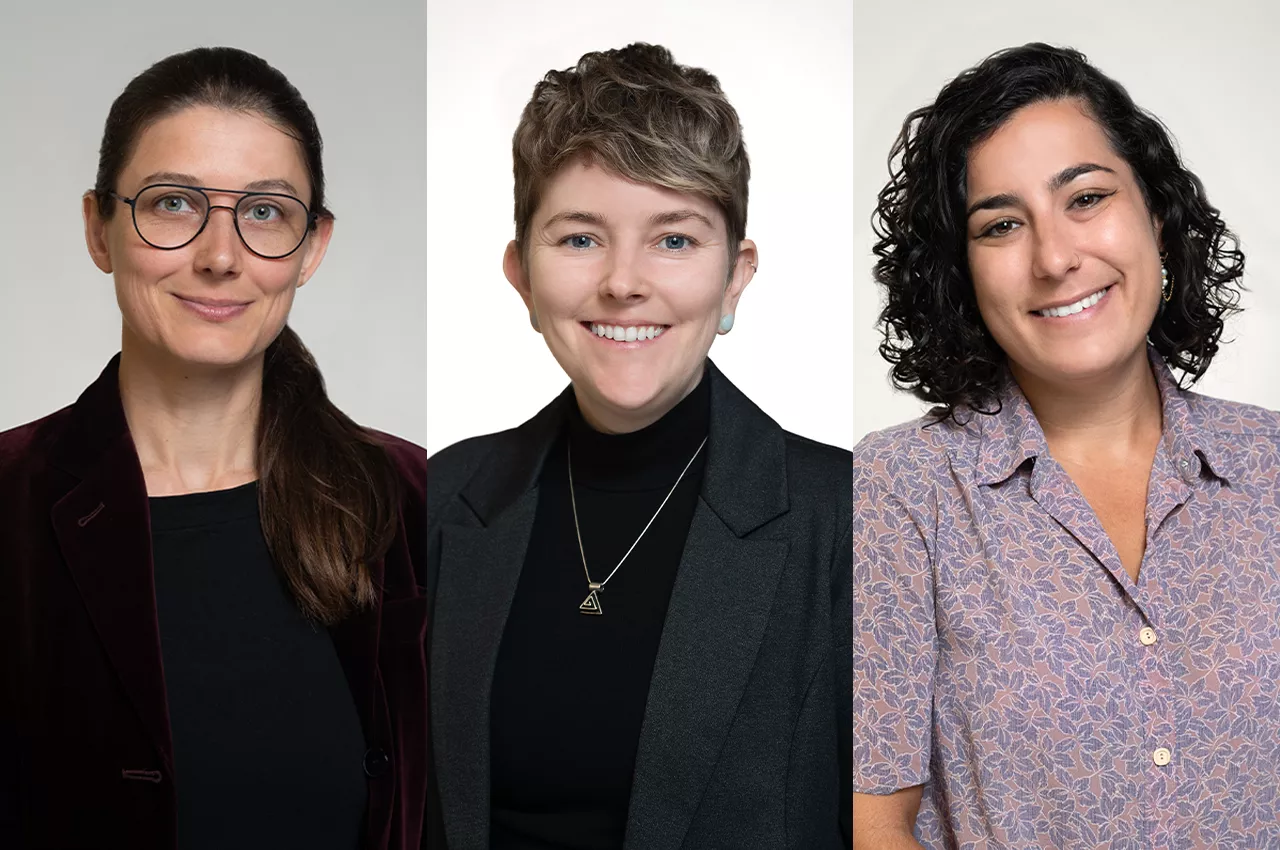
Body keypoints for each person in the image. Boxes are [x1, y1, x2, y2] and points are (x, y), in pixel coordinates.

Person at [852, 43, 1280, 849]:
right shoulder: (902, 488)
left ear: (1155, 213)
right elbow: (871, 822)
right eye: (1003, 224)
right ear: (962, 271)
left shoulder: (1272, 466)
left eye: (1085, 198)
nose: (1054, 258)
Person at [0, 47, 428, 850]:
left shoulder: (412, 501)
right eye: (173, 203)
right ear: (99, 228)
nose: (221, 256)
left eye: (265, 212)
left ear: (314, 246)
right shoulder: (9, 502)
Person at [426, 43, 851, 849]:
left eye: (676, 240)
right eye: (580, 239)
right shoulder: (445, 498)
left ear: (736, 276)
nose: (624, 281)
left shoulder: (849, 518)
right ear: (521, 273)